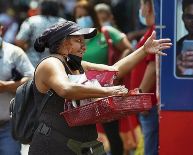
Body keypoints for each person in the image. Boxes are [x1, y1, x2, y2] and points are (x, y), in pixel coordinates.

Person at [28, 21, 171, 155]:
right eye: (78, 41)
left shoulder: (77, 65)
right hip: (52, 146)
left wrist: (144, 50)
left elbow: (114, 71)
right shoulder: (51, 63)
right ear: (64, 43)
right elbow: (66, 89)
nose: (84, 46)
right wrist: (107, 91)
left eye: (84, 41)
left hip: (82, 145)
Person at [73, 1, 133, 155]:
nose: (82, 19)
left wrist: (116, 73)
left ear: (92, 15)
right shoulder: (75, 39)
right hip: (84, 93)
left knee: (112, 134)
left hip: (107, 92)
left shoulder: (106, 32)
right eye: (79, 16)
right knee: (85, 135)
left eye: (85, 15)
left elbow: (128, 49)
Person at [0, 25, 34, 155]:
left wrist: (7, 86)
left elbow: (32, 79)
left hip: (8, 125)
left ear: (1, 29)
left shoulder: (14, 52)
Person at [129, 0, 158, 155]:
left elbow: (152, 68)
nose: (141, 9)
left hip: (149, 103)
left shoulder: (155, 31)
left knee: (150, 149)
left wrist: (141, 98)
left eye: (142, 4)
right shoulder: (151, 30)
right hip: (147, 102)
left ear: (148, 6)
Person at [15, 0, 65, 66]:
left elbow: (20, 41)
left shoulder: (32, 21)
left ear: (41, 8)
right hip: (56, 65)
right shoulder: (64, 23)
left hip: (33, 64)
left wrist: (28, 48)